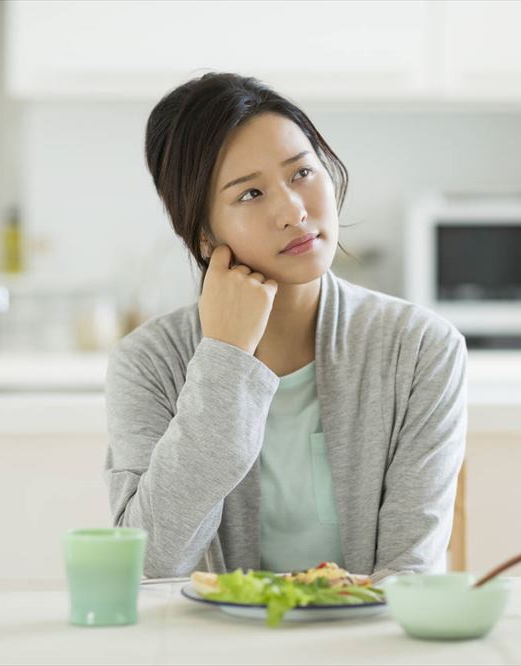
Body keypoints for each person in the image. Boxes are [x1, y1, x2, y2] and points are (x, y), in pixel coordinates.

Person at [104, 72, 467, 583]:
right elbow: (149, 564)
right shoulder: (148, 362)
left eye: (301, 173)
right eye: (250, 193)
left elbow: (411, 570)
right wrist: (224, 360)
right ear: (204, 233)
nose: (294, 211)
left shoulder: (420, 348)